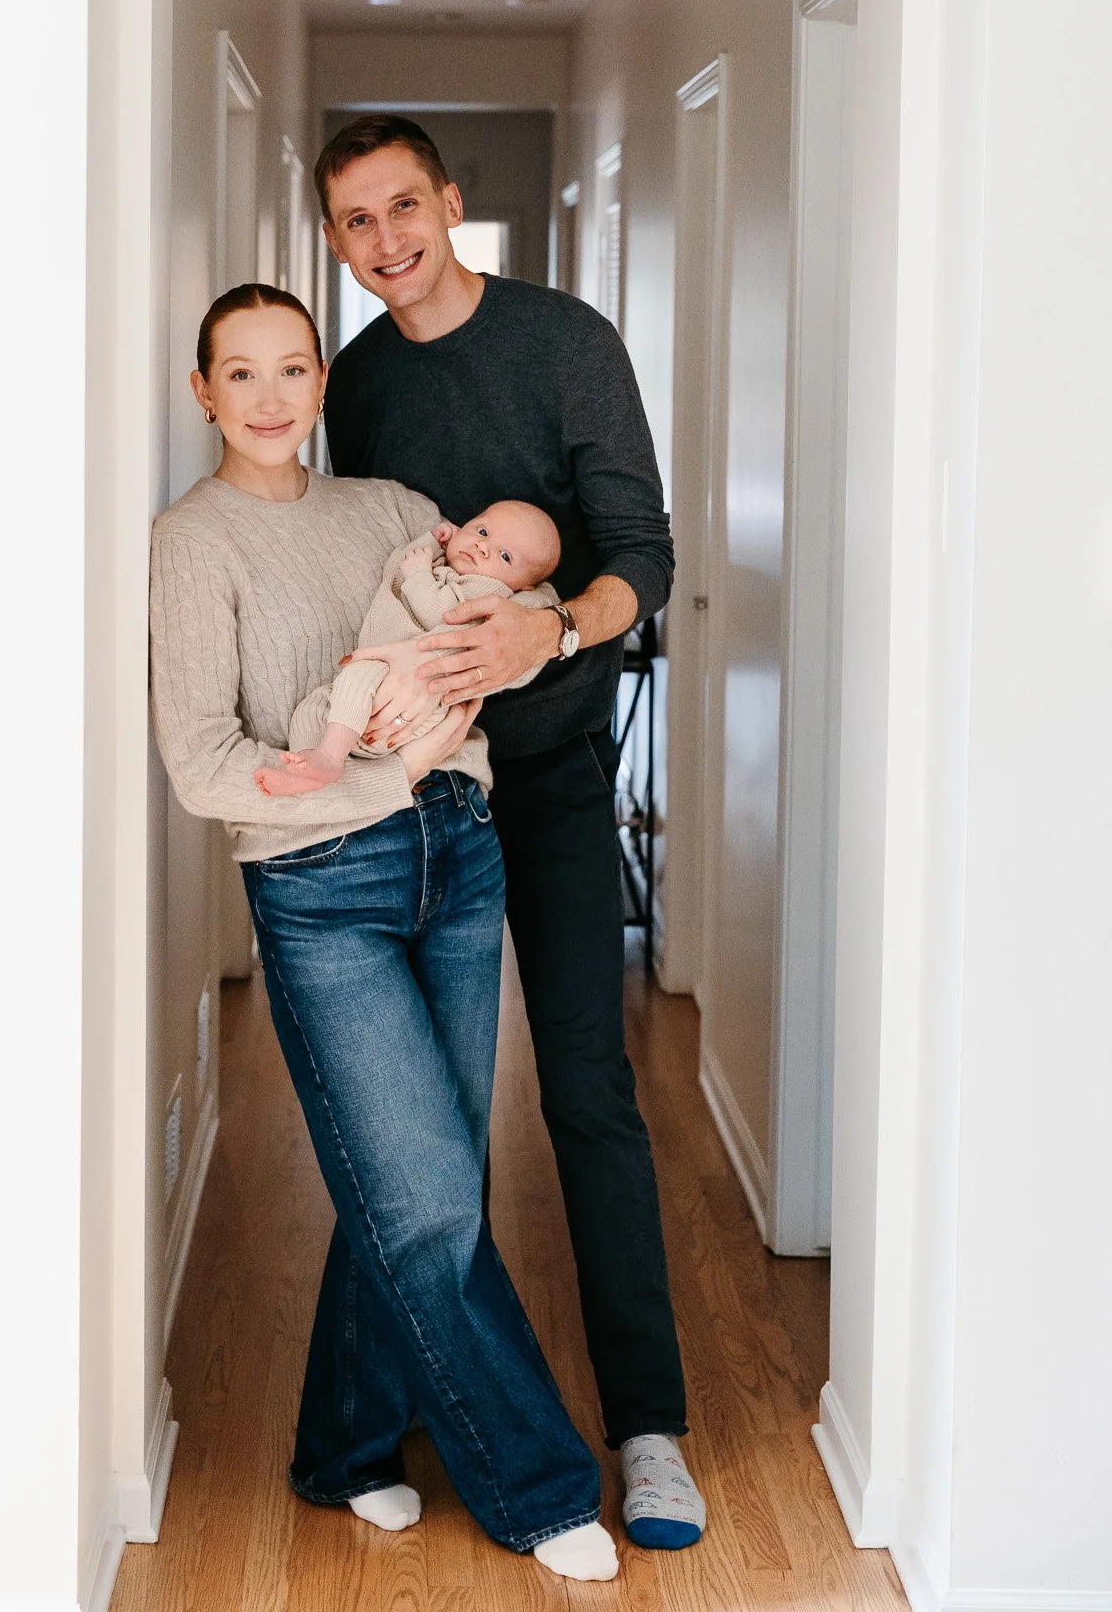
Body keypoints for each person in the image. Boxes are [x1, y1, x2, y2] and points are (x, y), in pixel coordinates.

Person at [148, 281, 621, 1582]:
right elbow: (198, 761)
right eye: (238, 375)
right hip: (321, 889)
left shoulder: (393, 511)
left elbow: (492, 640)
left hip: (456, 859)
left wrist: (519, 647)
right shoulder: (194, 543)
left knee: (417, 1178)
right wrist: (300, 782)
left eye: (290, 368)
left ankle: (346, 1450)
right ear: (204, 392)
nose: (269, 396)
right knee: (419, 1197)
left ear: (318, 380)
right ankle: (538, 1487)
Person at [320, 115, 707, 1550]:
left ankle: (649, 1426)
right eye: (353, 222)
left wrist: (551, 623)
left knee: (587, 1098)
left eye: (402, 207)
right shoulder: (353, 388)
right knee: (430, 1125)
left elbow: (642, 559)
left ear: (451, 204)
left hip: (542, 783)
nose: (382, 242)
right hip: (421, 792)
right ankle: (453, 1389)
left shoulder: (564, 341)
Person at [254, 500, 562, 796]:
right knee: (313, 708)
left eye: (505, 556)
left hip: (414, 702)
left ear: (523, 587)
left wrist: (418, 572)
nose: (483, 546)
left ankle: (330, 758)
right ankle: (310, 765)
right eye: (482, 532)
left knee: (357, 675)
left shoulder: (489, 590)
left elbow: (438, 610)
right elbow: (398, 569)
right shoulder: (445, 564)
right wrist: (429, 542)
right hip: (378, 688)